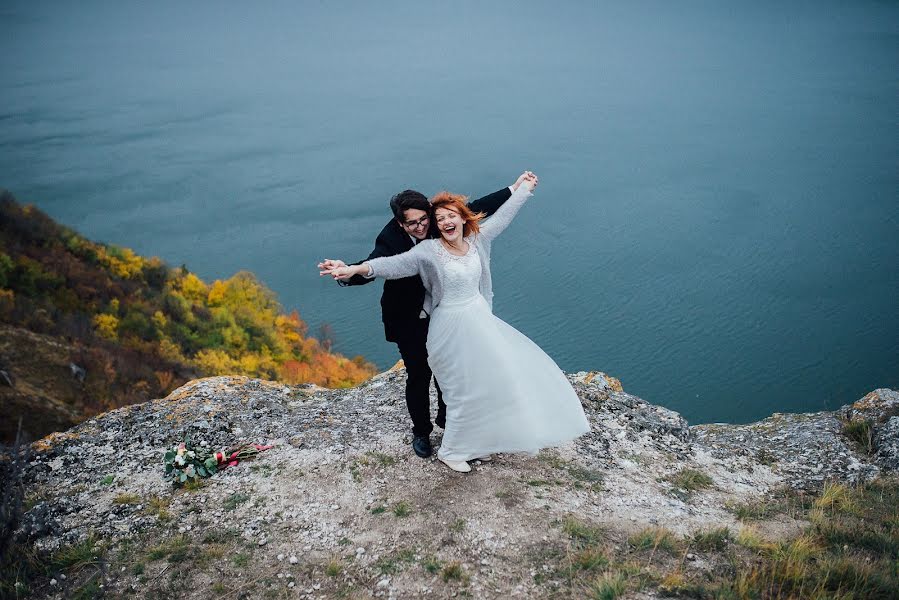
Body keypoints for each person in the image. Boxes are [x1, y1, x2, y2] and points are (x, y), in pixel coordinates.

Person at [319, 175, 590, 472]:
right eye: (413, 224)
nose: (422, 227)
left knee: (466, 379)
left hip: (463, 317)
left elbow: (476, 209)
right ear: (400, 224)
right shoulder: (397, 240)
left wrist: (517, 189)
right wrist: (349, 270)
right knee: (420, 375)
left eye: (426, 220)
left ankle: (457, 431)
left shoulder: (447, 225)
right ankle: (422, 433)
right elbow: (382, 264)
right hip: (410, 318)